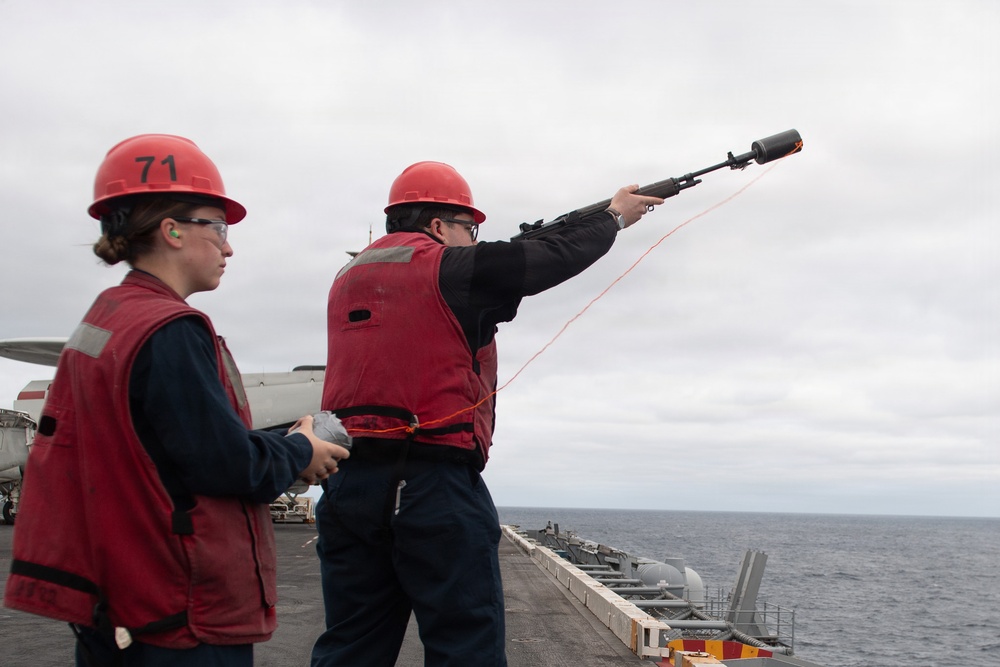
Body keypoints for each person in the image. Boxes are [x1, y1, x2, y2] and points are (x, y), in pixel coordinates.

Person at [3, 134, 350, 667]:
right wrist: (302, 450)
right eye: (219, 228)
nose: (228, 248)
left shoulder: (104, 320)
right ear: (172, 230)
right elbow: (224, 464)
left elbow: (157, 453)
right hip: (177, 613)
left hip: (116, 601)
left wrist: (282, 444)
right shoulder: (170, 329)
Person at [311, 161, 663, 666]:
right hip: (432, 486)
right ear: (439, 226)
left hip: (348, 486)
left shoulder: (346, 277)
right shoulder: (447, 267)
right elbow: (546, 258)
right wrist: (614, 217)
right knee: (465, 645)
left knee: (352, 644)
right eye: (469, 229)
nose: (473, 241)